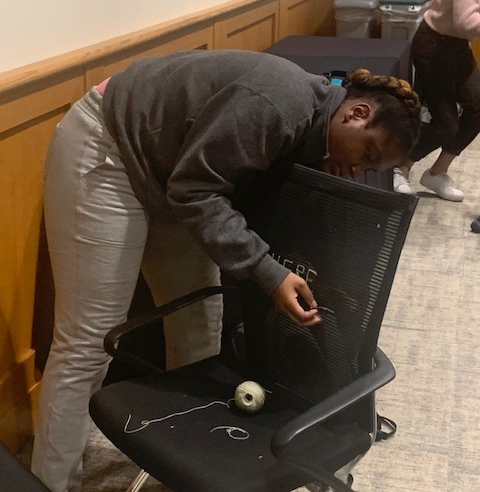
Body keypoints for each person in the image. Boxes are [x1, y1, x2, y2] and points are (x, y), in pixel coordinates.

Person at [31, 49, 421, 492]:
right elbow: (196, 191)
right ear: (356, 112)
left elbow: (211, 192)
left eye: (370, 168)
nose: (357, 170)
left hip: (172, 172)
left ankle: (187, 462)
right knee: (87, 343)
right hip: (109, 146)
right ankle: (49, 484)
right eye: (366, 153)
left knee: (199, 326)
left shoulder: (316, 134)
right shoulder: (279, 103)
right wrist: (267, 272)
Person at [393, 0, 480, 200]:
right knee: (446, 124)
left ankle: (436, 174)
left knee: (478, 108)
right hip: (434, 46)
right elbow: (467, 21)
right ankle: (400, 167)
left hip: (455, 46)